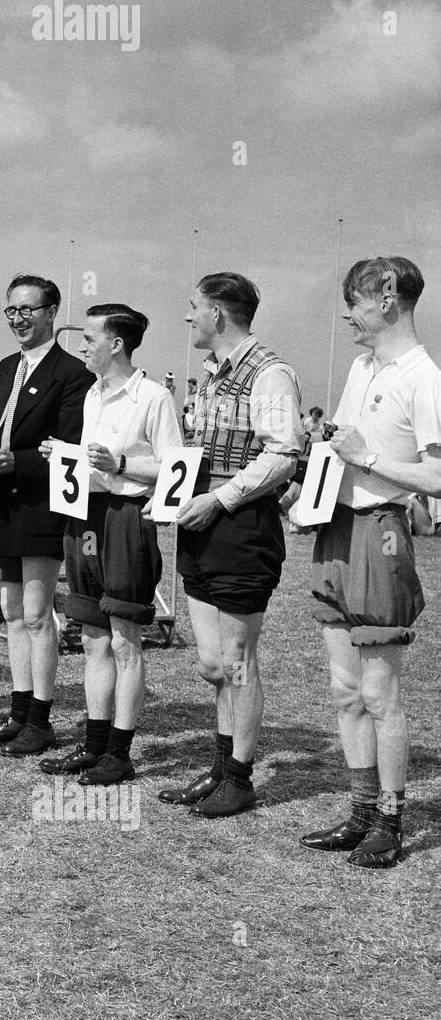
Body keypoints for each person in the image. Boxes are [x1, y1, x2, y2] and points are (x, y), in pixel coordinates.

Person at [299, 256, 441, 869]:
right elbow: (346, 449)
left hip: (380, 530)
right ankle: (359, 811)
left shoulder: (423, 376)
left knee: (381, 691)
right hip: (335, 523)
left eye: (354, 300)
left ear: (388, 298)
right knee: (344, 688)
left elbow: (437, 477)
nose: (347, 313)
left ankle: (391, 817)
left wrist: (370, 460)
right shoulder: (361, 365)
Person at [160, 272, 303, 816]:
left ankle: (238, 777)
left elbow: (281, 455)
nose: (189, 317)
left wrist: (220, 499)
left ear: (217, 313)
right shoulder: (213, 375)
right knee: (213, 663)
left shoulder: (269, 374)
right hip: (200, 525)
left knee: (239, 660)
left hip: (240, 528)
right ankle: (220, 766)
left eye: (193, 307)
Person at [38, 305, 182, 784]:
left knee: (125, 640)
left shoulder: (154, 397)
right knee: (93, 637)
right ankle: (94, 744)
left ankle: (120, 752)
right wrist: (63, 455)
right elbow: (92, 462)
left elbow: (174, 470)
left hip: (127, 518)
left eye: (90, 338)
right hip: (85, 516)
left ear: (116, 344)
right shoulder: (92, 395)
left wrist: (119, 463)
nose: (82, 345)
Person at [0, 274, 91, 754]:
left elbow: (69, 447)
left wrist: (15, 461)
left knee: (39, 614)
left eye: (28, 310)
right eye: (11, 310)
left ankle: (41, 719)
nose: (18, 319)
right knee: (11, 612)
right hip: (0, 504)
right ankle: (19, 713)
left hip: (40, 504)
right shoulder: (4, 367)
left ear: (52, 313)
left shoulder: (71, 374)